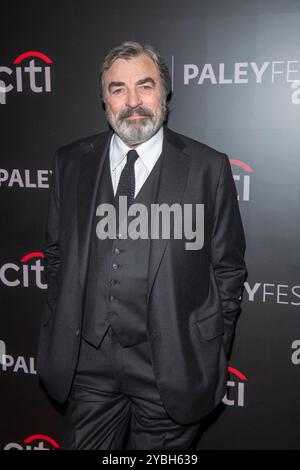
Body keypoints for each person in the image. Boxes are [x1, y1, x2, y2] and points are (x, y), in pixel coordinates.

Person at [36, 40, 247, 450]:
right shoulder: (70, 162)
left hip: (171, 364)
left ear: (164, 92)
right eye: (118, 89)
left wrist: (209, 346)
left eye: (145, 86)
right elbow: (57, 254)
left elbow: (228, 269)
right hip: (87, 364)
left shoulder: (207, 167)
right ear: (104, 100)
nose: (133, 101)